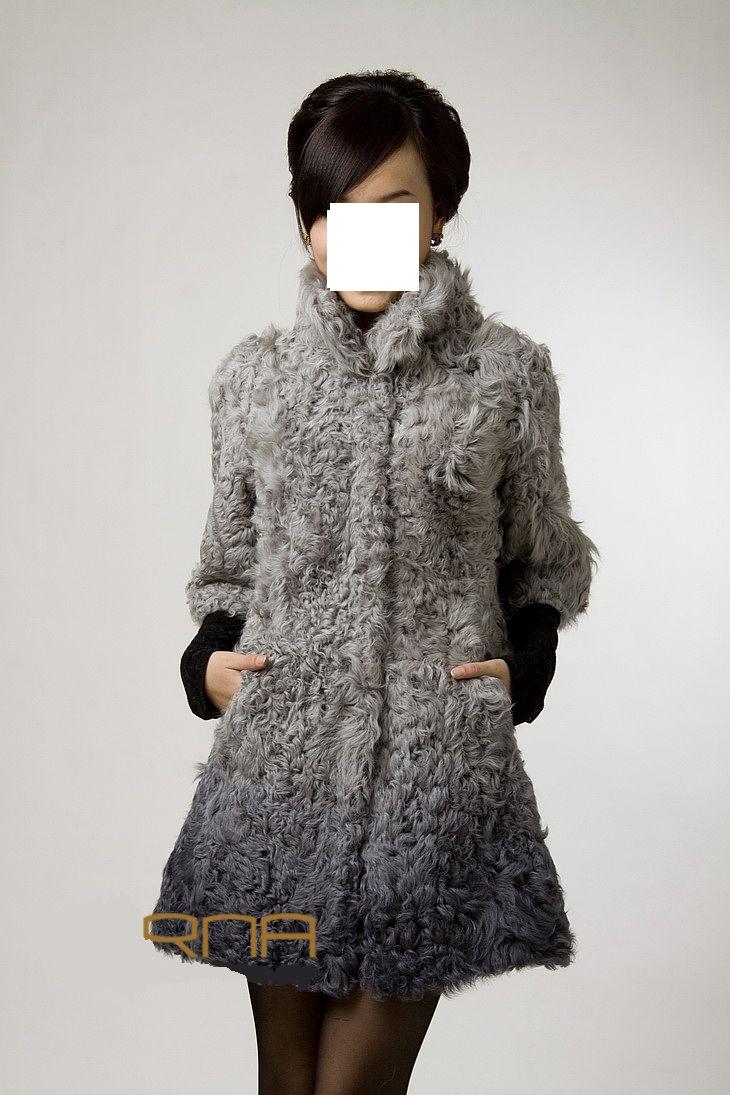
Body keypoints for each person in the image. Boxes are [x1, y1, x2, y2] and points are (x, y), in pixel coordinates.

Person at [149, 70, 599, 1095]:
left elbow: (542, 557)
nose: (355, 237)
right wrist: (207, 666)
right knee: (284, 1079)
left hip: (433, 771)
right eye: (333, 210)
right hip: (279, 776)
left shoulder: (505, 374)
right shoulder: (254, 378)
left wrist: (522, 672)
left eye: (392, 209)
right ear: (308, 223)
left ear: (439, 216)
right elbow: (228, 564)